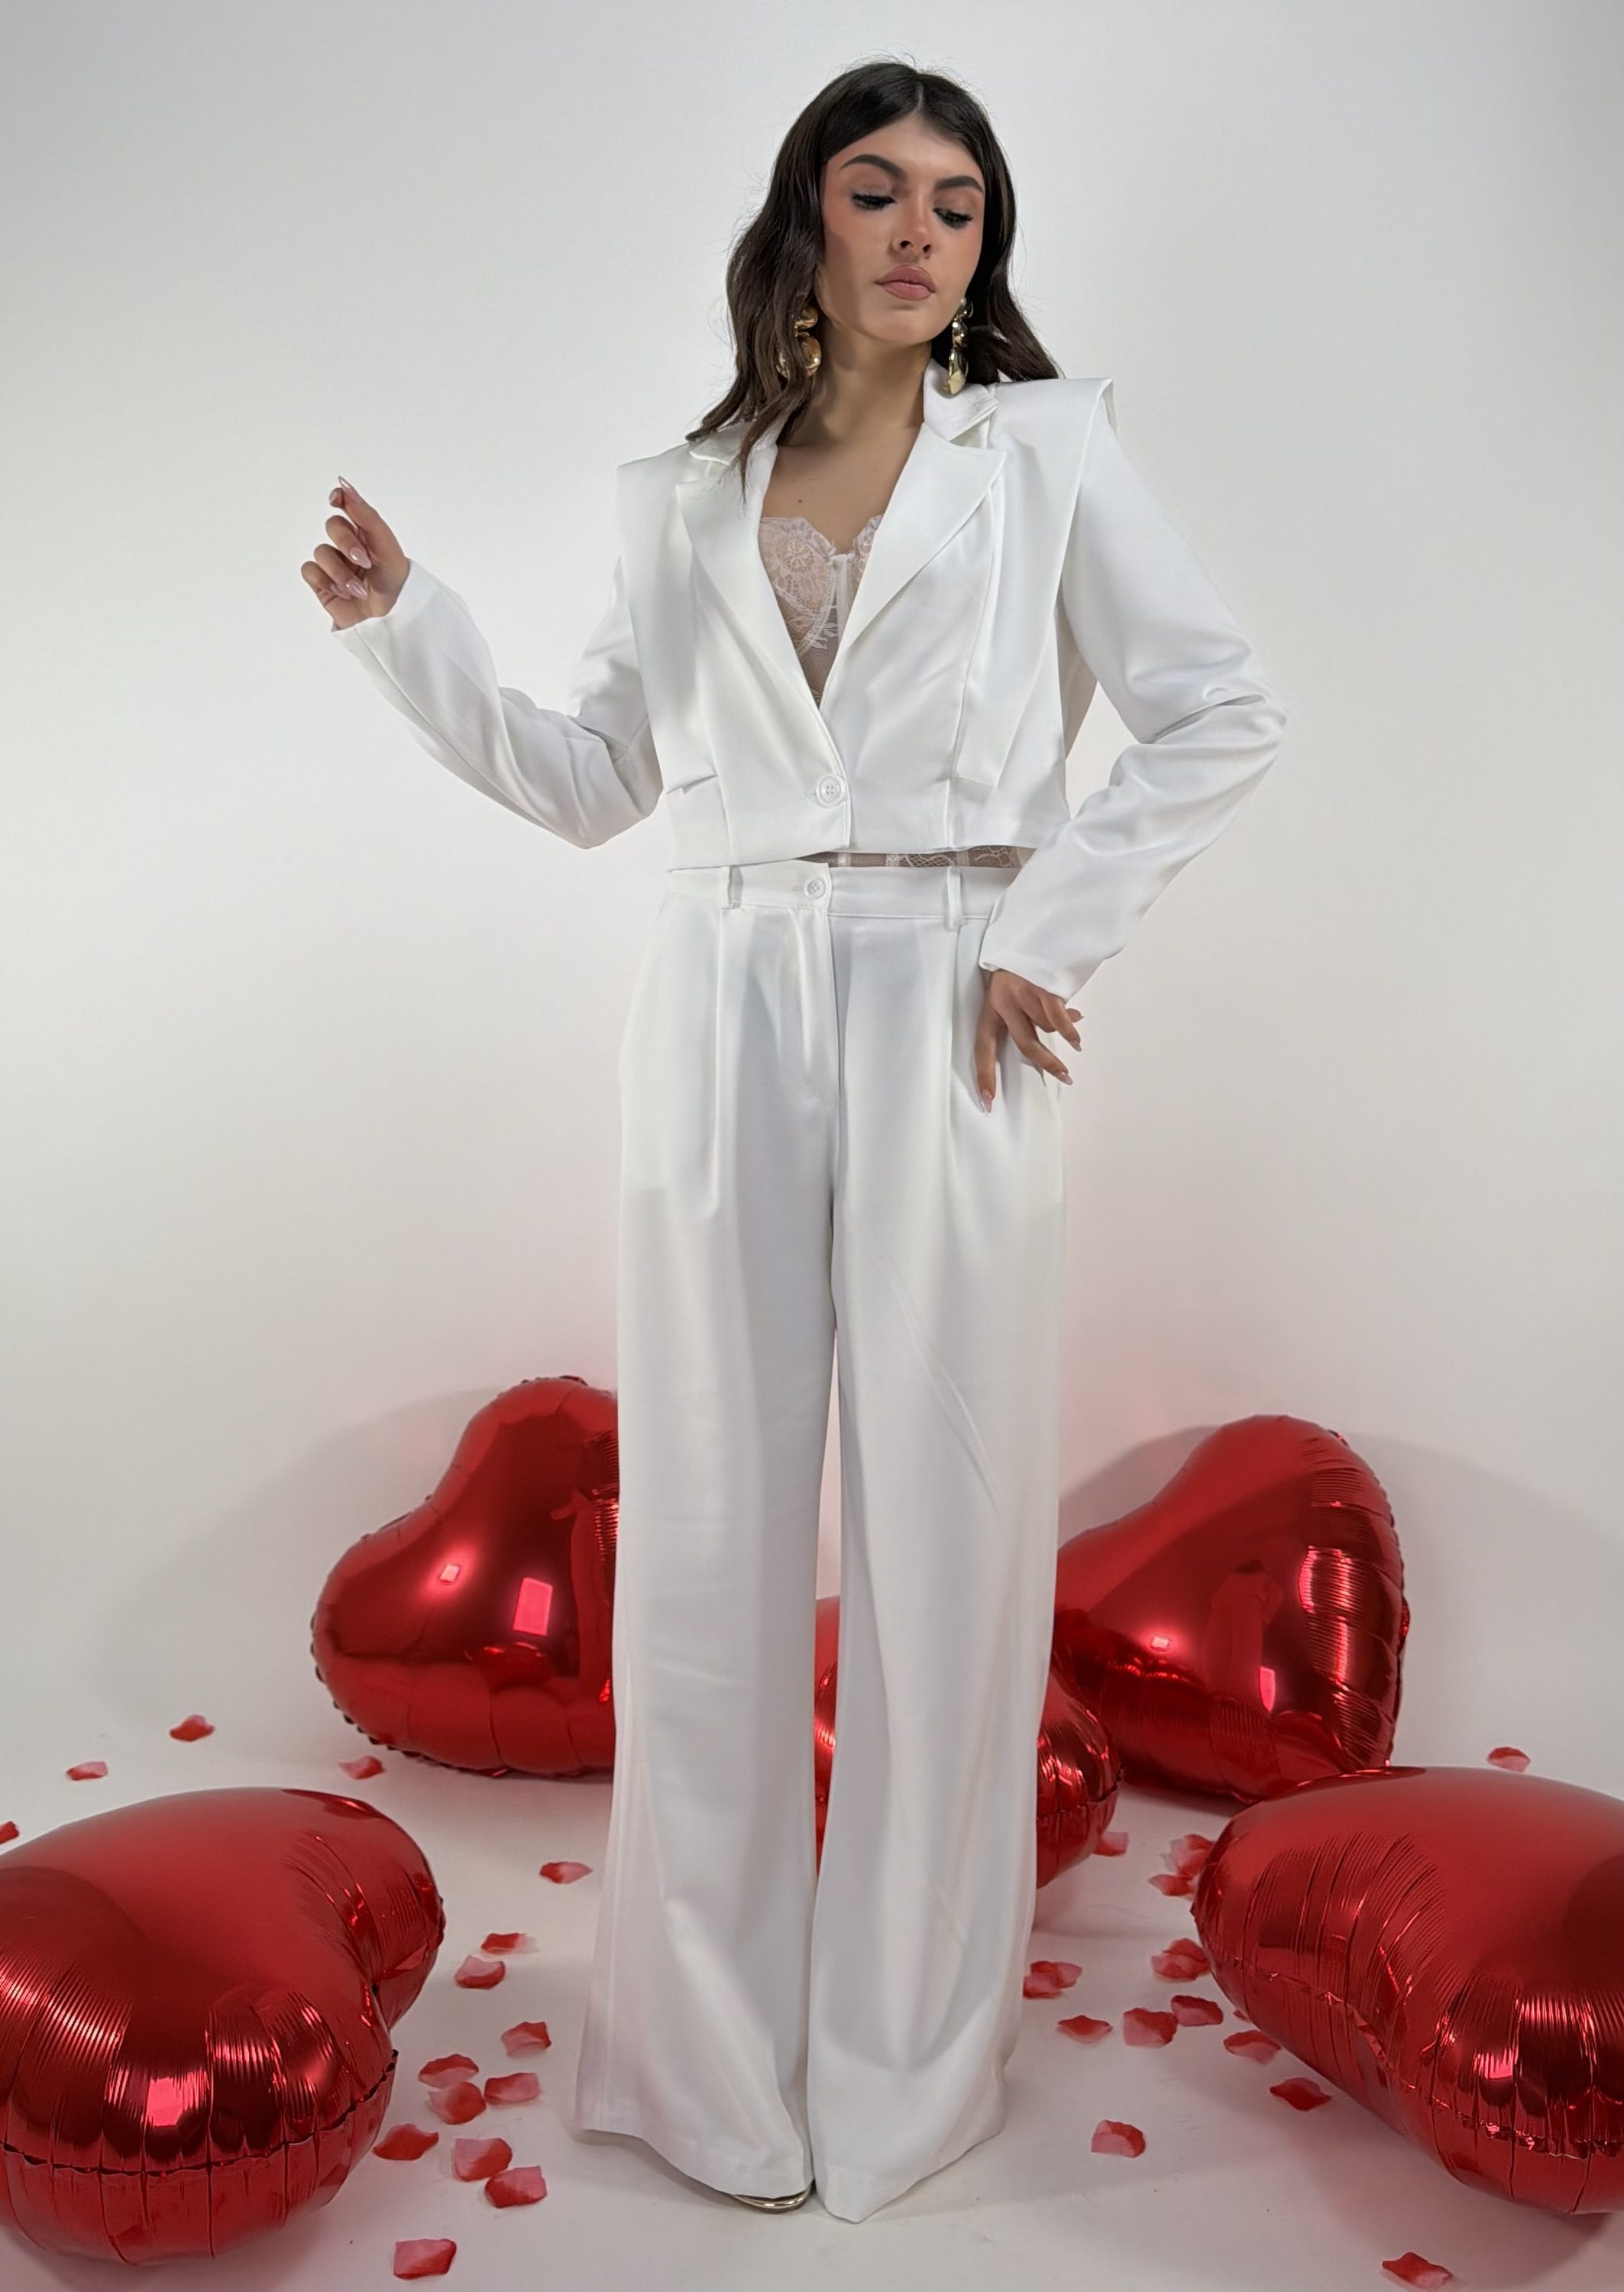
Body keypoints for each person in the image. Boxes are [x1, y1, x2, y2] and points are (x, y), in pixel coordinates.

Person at [304, 57, 1286, 2226]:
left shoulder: (1048, 453)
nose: (921, 233)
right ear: (804, 223)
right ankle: (706, 2063)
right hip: (726, 994)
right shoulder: (681, 495)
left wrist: (1053, 928)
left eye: (959, 201)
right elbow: (597, 779)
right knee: (713, 1538)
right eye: (877, 190)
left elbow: (1218, 703)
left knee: (947, 1532)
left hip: (957, 994)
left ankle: (908, 2068)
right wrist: (409, 635)